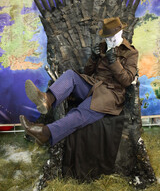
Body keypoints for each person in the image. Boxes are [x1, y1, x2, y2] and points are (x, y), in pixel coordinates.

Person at [19, 17, 138, 146]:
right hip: (94, 85)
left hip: (111, 94)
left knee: (82, 111)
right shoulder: (102, 46)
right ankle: (46, 99)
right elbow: (87, 73)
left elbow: (127, 80)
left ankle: (45, 133)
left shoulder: (131, 53)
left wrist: (114, 62)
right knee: (71, 75)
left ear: (121, 32)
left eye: (114, 36)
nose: (111, 40)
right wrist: (93, 58)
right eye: (108, 38)